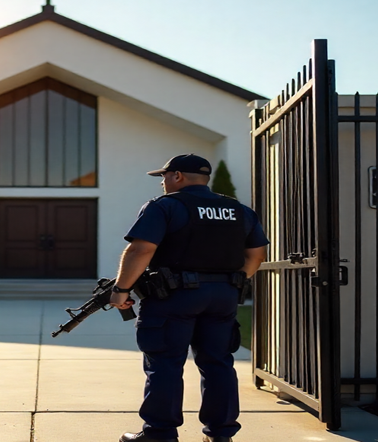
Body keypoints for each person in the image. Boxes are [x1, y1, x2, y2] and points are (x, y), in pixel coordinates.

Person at [109, 154, 269, 442]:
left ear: (178, 176)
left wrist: (121, 290)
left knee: (166, 364)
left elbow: (140, 250)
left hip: (174, 297)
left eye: (164, 176)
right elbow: (257, 255)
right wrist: (231, 283)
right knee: (218, 363)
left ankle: (159, 435)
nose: (162, 182)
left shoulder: (166, 206)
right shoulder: (238, 210)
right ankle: (221, 435)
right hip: (223, 297)